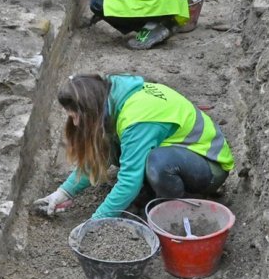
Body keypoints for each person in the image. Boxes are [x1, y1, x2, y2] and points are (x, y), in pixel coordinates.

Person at [34, 74, 234, 219]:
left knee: (158, 162)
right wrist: (63, 192)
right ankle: (151, 193)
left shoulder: (137, 119)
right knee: (114, 144)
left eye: (76, 116)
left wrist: (97, 221)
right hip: (181, 156)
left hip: (209, 166)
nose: (76, 123)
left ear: (90, 107)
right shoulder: (112, 97)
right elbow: (101, 153)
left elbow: (129, 180)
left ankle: (170, 213)